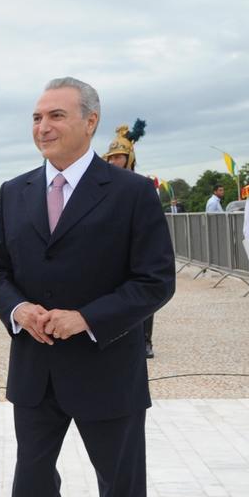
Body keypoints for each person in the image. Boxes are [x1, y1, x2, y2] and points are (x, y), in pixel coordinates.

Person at [0, 77, 174, 497]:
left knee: (121, 488)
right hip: (35, 367)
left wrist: (86, 317)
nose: (43, 126)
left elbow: (154, 280)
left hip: (106, 366)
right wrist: (19, 310)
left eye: (56, 116)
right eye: (37, 117)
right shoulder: (14, 192)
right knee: (34, 485)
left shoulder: (132, 192)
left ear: (90, 121)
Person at [104, 121, 157, 359]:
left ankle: (145, 339)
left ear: (129, 157)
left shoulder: (142, 186)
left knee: (143, 293)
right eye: (111, 157)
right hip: (111, 248)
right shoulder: (102, 186)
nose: (115, 161)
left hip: (137, 247)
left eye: (119, 157)